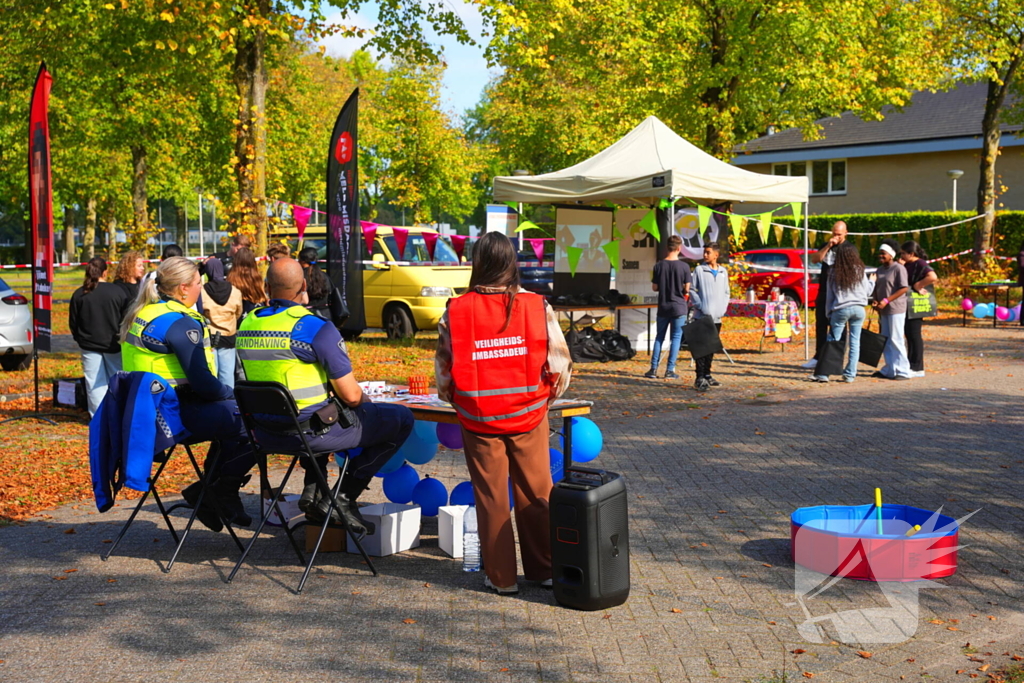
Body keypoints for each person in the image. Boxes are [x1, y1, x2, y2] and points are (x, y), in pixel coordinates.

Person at [435, 232, 572, 595]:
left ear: (477, 263)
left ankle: (502, 578)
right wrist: (544, 401)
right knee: (536, 492)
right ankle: (543, 570)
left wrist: (461, 403)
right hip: (529, 415)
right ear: (512, 262)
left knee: (492, 498)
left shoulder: (456, 310)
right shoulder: (536, 306)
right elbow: (560, 365)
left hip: (479, 420)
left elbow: (445, 376)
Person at [236, 258, 414, 535]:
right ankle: (342, 497)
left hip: (265, 433)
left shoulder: (247, 324)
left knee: (324, 410)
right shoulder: (314, 328)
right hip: (311, 433)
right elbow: (352, 396)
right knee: (401, 419)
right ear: (304, 285)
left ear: (267, 287)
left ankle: (315, 490)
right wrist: (368, 406)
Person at [120, 257, 256, 530]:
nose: (201, 287)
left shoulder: (146, 312)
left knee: (233, 420)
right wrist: (231, 393)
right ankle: (218, 492)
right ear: (183, 288)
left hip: (145, 415)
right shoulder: (179, 323)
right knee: (256, 424)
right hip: (171, 417)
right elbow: (204, 384)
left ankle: (210, 490)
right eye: (198, 283)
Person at [69, 257, 129, 416]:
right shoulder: (117, 292)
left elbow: (73, 322)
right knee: (116, 381)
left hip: (89, 345)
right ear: (105, 272)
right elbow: (126, 319)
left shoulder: (79, 294)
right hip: (114, 345)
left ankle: (98, 418)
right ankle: (118, 415)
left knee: (94, 384)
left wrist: (80, 339)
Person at [811, 242, 872, 383]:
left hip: (841, 308)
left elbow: (830, 295)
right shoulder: (860, 270)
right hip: (859, 309)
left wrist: (828, 313)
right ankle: (850, 374)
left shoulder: (833, 271)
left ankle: (824, 374)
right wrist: (873, 282)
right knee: (855, 342)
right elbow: (868, 291)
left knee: (833, 340)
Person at [644, 235, 691, 380]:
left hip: (663, 306)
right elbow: (687, 289)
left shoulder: (659, 265)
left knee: (659, 337)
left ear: (667, 248)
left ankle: (653, 369)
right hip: (679, 307)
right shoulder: (684, 267)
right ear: (679, 248)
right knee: (676, 338)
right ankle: (670, 370)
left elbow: (654, 287)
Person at [804, 221, 848, 370]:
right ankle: (818, 357)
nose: (836, 237)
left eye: (839, 234)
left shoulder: (849, 248)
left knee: (838, 327)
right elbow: (815, 259)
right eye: (834, 234)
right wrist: (828, 246)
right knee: (821, 324)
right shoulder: (826, 244)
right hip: (824, 291)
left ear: (845, 233)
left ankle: (836, 360)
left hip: (840, 293)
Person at [690, 242, 730, 392]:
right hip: (702, 316)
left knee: (711, 347)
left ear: (716, 255)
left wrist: (722, 308)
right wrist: (701, 306)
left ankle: (707, 374)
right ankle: (699, 377)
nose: (705, 255)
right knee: (701, 349)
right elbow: (692, 290)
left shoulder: (722, 272)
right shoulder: (699, 270)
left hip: (716, 317)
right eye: (704, 252)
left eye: (708, 252)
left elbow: (727, 292)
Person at [201, 256, 244, 388]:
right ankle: (229, 403)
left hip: (210, 338)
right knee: (227, 375)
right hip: (228, 337)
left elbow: (200, 313)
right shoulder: (235, 292)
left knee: (212, 374)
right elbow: (238, 313)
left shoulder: (202, 291)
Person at [871, 243, 911, 380]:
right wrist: (875, 301)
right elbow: (877, 287)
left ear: (891, 255)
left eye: (884, 253)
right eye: (880, 253)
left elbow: (903, 288)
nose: (881, 256)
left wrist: (887, 300)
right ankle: (889, 369)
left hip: (896, 309)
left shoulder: (898, 268)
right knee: (886, 339)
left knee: (896, 339)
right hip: (883, 310)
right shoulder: (880, 270)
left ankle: (903, 370)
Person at [900, 240, 938, 377]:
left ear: (911, 253)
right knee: (908, 334)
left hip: (915, 304)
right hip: (906, 303)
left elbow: (932, 276)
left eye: (903, 253)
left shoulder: (920, 263)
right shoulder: (908, 264)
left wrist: (918, 285)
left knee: (914, 334)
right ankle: (910, 364)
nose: (901, 256)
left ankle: (918, 367)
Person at [227, 247, 268, 315]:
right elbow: (263, 296)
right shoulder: (257, 277)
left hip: (238, 313)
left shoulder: (231, 278)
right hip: (257, 312)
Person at [298, 247, 331, 319]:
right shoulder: (324, 275)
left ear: (302, 261)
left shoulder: (299, 276)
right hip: (325, 314)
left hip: (305, 314)